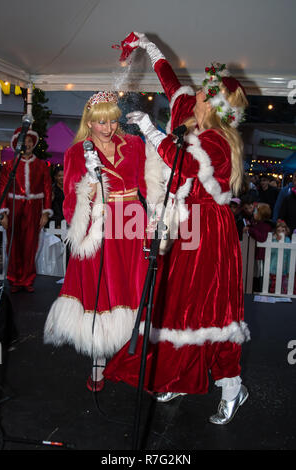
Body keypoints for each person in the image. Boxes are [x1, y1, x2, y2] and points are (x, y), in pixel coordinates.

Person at [104, 32, 250, 425]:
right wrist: (146, 46)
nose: (196, 94)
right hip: (187, 226)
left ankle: (232, 387)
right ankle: (177, 374)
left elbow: (184, 166)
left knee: (212, 310)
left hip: (212, 232)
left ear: (214, 106)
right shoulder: (189, 107)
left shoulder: (219, 141)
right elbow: (169, 80)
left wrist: (151, 131)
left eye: (205, 93)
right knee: (175, 305)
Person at [44, 91, 150, 392]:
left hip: (132, 222)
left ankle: (133, 357)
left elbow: (145, 184)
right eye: (100, 122)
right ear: (89, 122)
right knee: (100, 289)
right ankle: (98, 359)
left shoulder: (134, 144)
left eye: (112, 120)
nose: (108, 127)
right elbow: (69, 201)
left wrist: (155, 212)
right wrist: (89, 189)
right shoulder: (77, 152)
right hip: (99, 228)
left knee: (132, 287)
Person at [0, 127, 52, 292]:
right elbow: (3, 189)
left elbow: (48, 189)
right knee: (14, 243)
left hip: (34, 207)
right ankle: (14, 278)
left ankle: (27, 279)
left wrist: (45, 212)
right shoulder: (10, 166)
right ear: (17, 144)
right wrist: (4, 213)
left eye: (30, 141)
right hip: (14, 205)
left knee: (30, 244)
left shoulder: (41, 165)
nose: (27, 144)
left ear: (33, 143)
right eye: (24, 142)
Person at [245, 202, 274, 291]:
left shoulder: (266, 226)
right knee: (255, 273)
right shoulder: (258, 223)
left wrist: (251, 230)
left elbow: (262, 237)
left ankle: (261, 290)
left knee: (260, 274)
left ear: (261, 215)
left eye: (256, 212)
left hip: (262, 255)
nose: (254, 213)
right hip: (256, 254)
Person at [269, 220, 291, 294]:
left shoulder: (288, 240)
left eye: (283, 230)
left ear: (286, 231)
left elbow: (289, 256)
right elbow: (271, 252)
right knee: (273, 286)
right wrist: (276, 241)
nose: (281, 232)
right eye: (278, 231)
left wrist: (288, 270)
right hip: (274, 268)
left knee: (283, 287)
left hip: (284, 269)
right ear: (275, 232)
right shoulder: (273, 240)